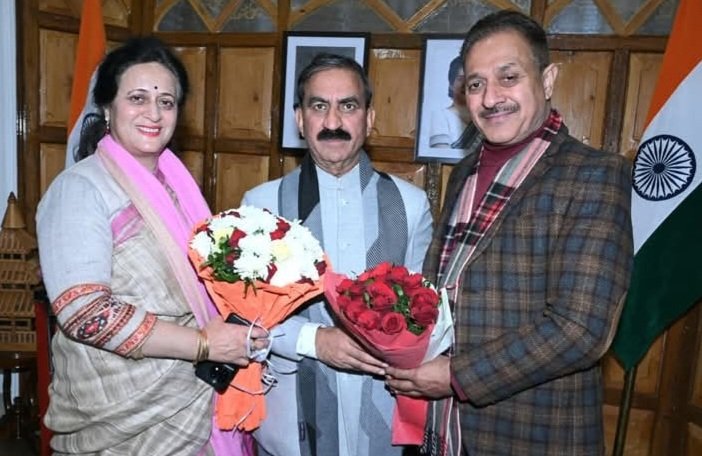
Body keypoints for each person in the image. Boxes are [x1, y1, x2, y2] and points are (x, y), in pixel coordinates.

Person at [386, 10, 633, 456]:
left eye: (508, 77)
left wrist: (455, 376)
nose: (490, 98)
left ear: (548, 79)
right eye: (475, 84)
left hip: (532, 430)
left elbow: (580, 328)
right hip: (444, 430)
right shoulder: (464, 171)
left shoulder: (594, 174)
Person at [36, 36, 267, 455]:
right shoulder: (79, 189)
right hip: (120, 417)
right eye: (137, 98)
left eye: (166, 102)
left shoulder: (177, 188)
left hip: (193, 397)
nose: (154, 113)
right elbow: (84, 313)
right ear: (107, 107)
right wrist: (204, 345)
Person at [242, 53, 433, 456]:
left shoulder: (410, 205)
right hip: (290, 425)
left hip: (385, 410)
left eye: (348, 106)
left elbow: (426, 314)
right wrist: (314, 340)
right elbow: (244, 318)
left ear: (369, 117)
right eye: (318, 106)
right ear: (300, 120)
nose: (333, 121)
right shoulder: (261, 205)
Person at [428, 56, 480, 151]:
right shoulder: (440, 116)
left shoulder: (484, 117)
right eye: (461, 79)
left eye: (471, 79)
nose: (466, 85)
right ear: (451, 84)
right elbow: (441, 154)